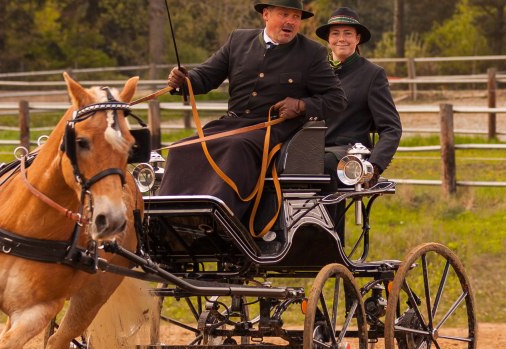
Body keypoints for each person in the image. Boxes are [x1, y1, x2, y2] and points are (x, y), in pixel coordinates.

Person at [158, 0, 347, 222]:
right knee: (182, 148)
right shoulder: (238, 40)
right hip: (231, 123)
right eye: (284, 14)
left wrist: (300, 106)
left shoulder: (312, 53)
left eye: (295, 17)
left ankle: (219, 220)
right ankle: (168, 218)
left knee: (236, 146)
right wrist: (183, 80)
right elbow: (205, 76)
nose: (290, 21)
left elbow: (337, 100)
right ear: (266, 15)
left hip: (274, 130)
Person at [316, 7, 402, 189]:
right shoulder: (316, 71)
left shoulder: (372, 75)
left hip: (348, 153)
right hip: (311, 148)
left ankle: (328, 219)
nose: (341, 39)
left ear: (357, 38)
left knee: (326, 164)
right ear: (328, 39)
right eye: (335, 33)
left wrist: (375, 165)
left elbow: (391, 128)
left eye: (348, 33)